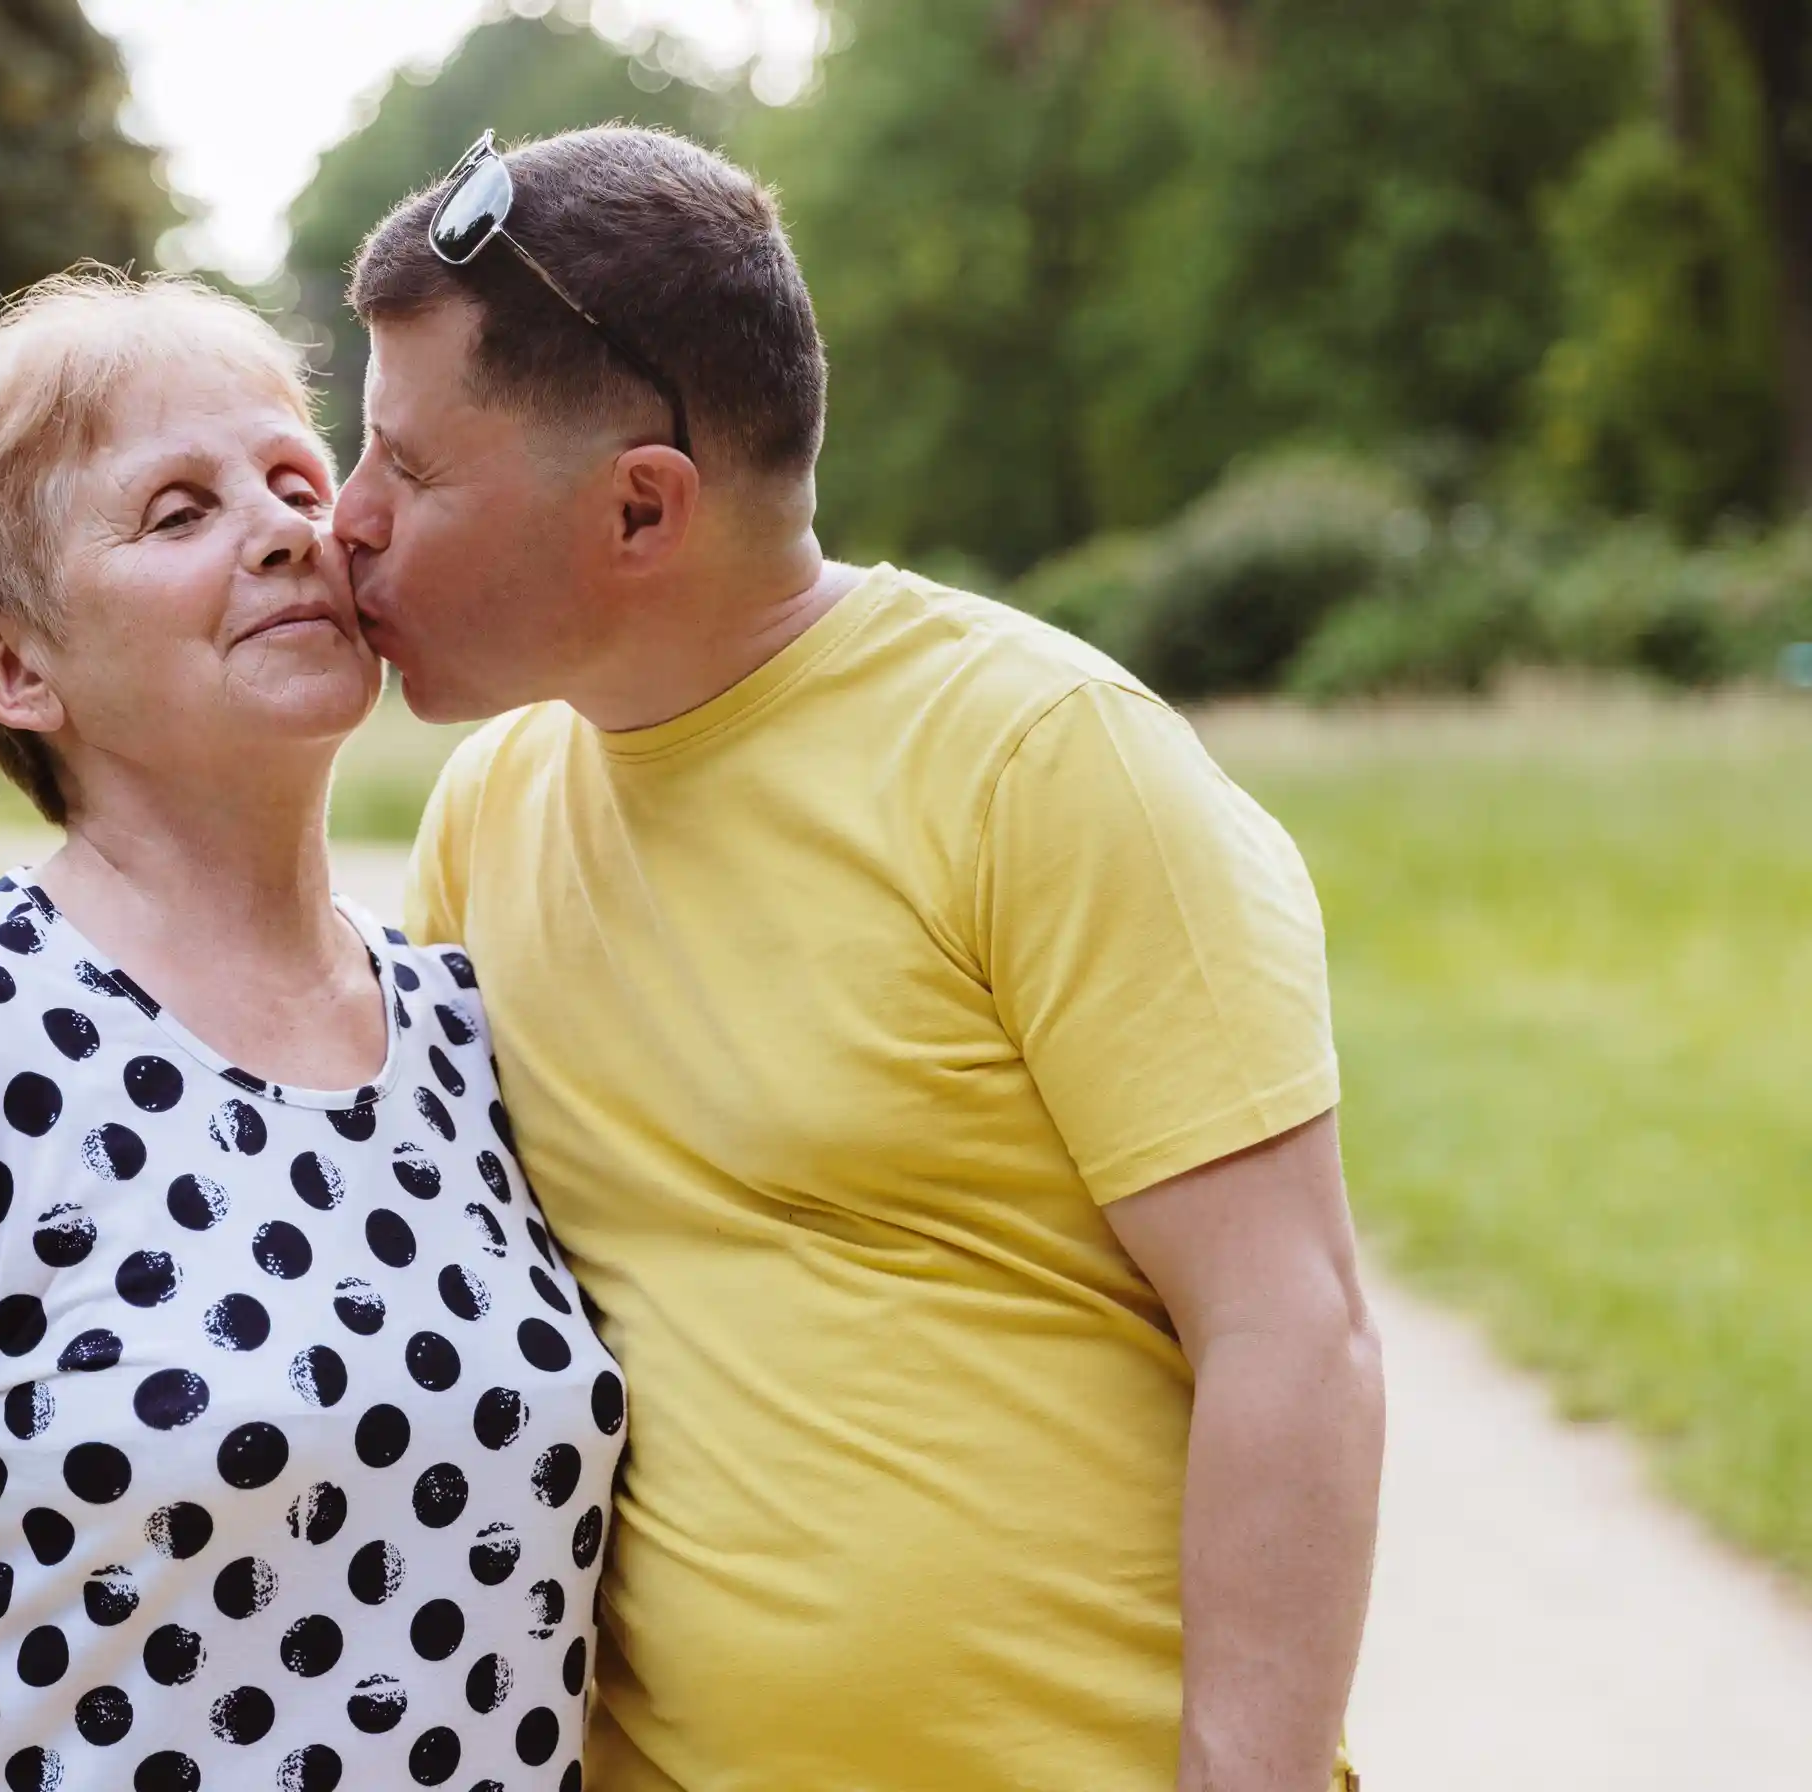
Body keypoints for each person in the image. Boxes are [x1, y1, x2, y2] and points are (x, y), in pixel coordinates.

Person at [332, 127, 1384, 1792]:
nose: (349, 519)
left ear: (639, 506)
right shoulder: (488, 817)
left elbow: (1292, 1327)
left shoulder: (1041, 758)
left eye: (412, 470)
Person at [0, 268, 624, 1792]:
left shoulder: (471, 1028)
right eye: (178, 513)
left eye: (298, 479)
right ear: (15, 667)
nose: (294, 529)